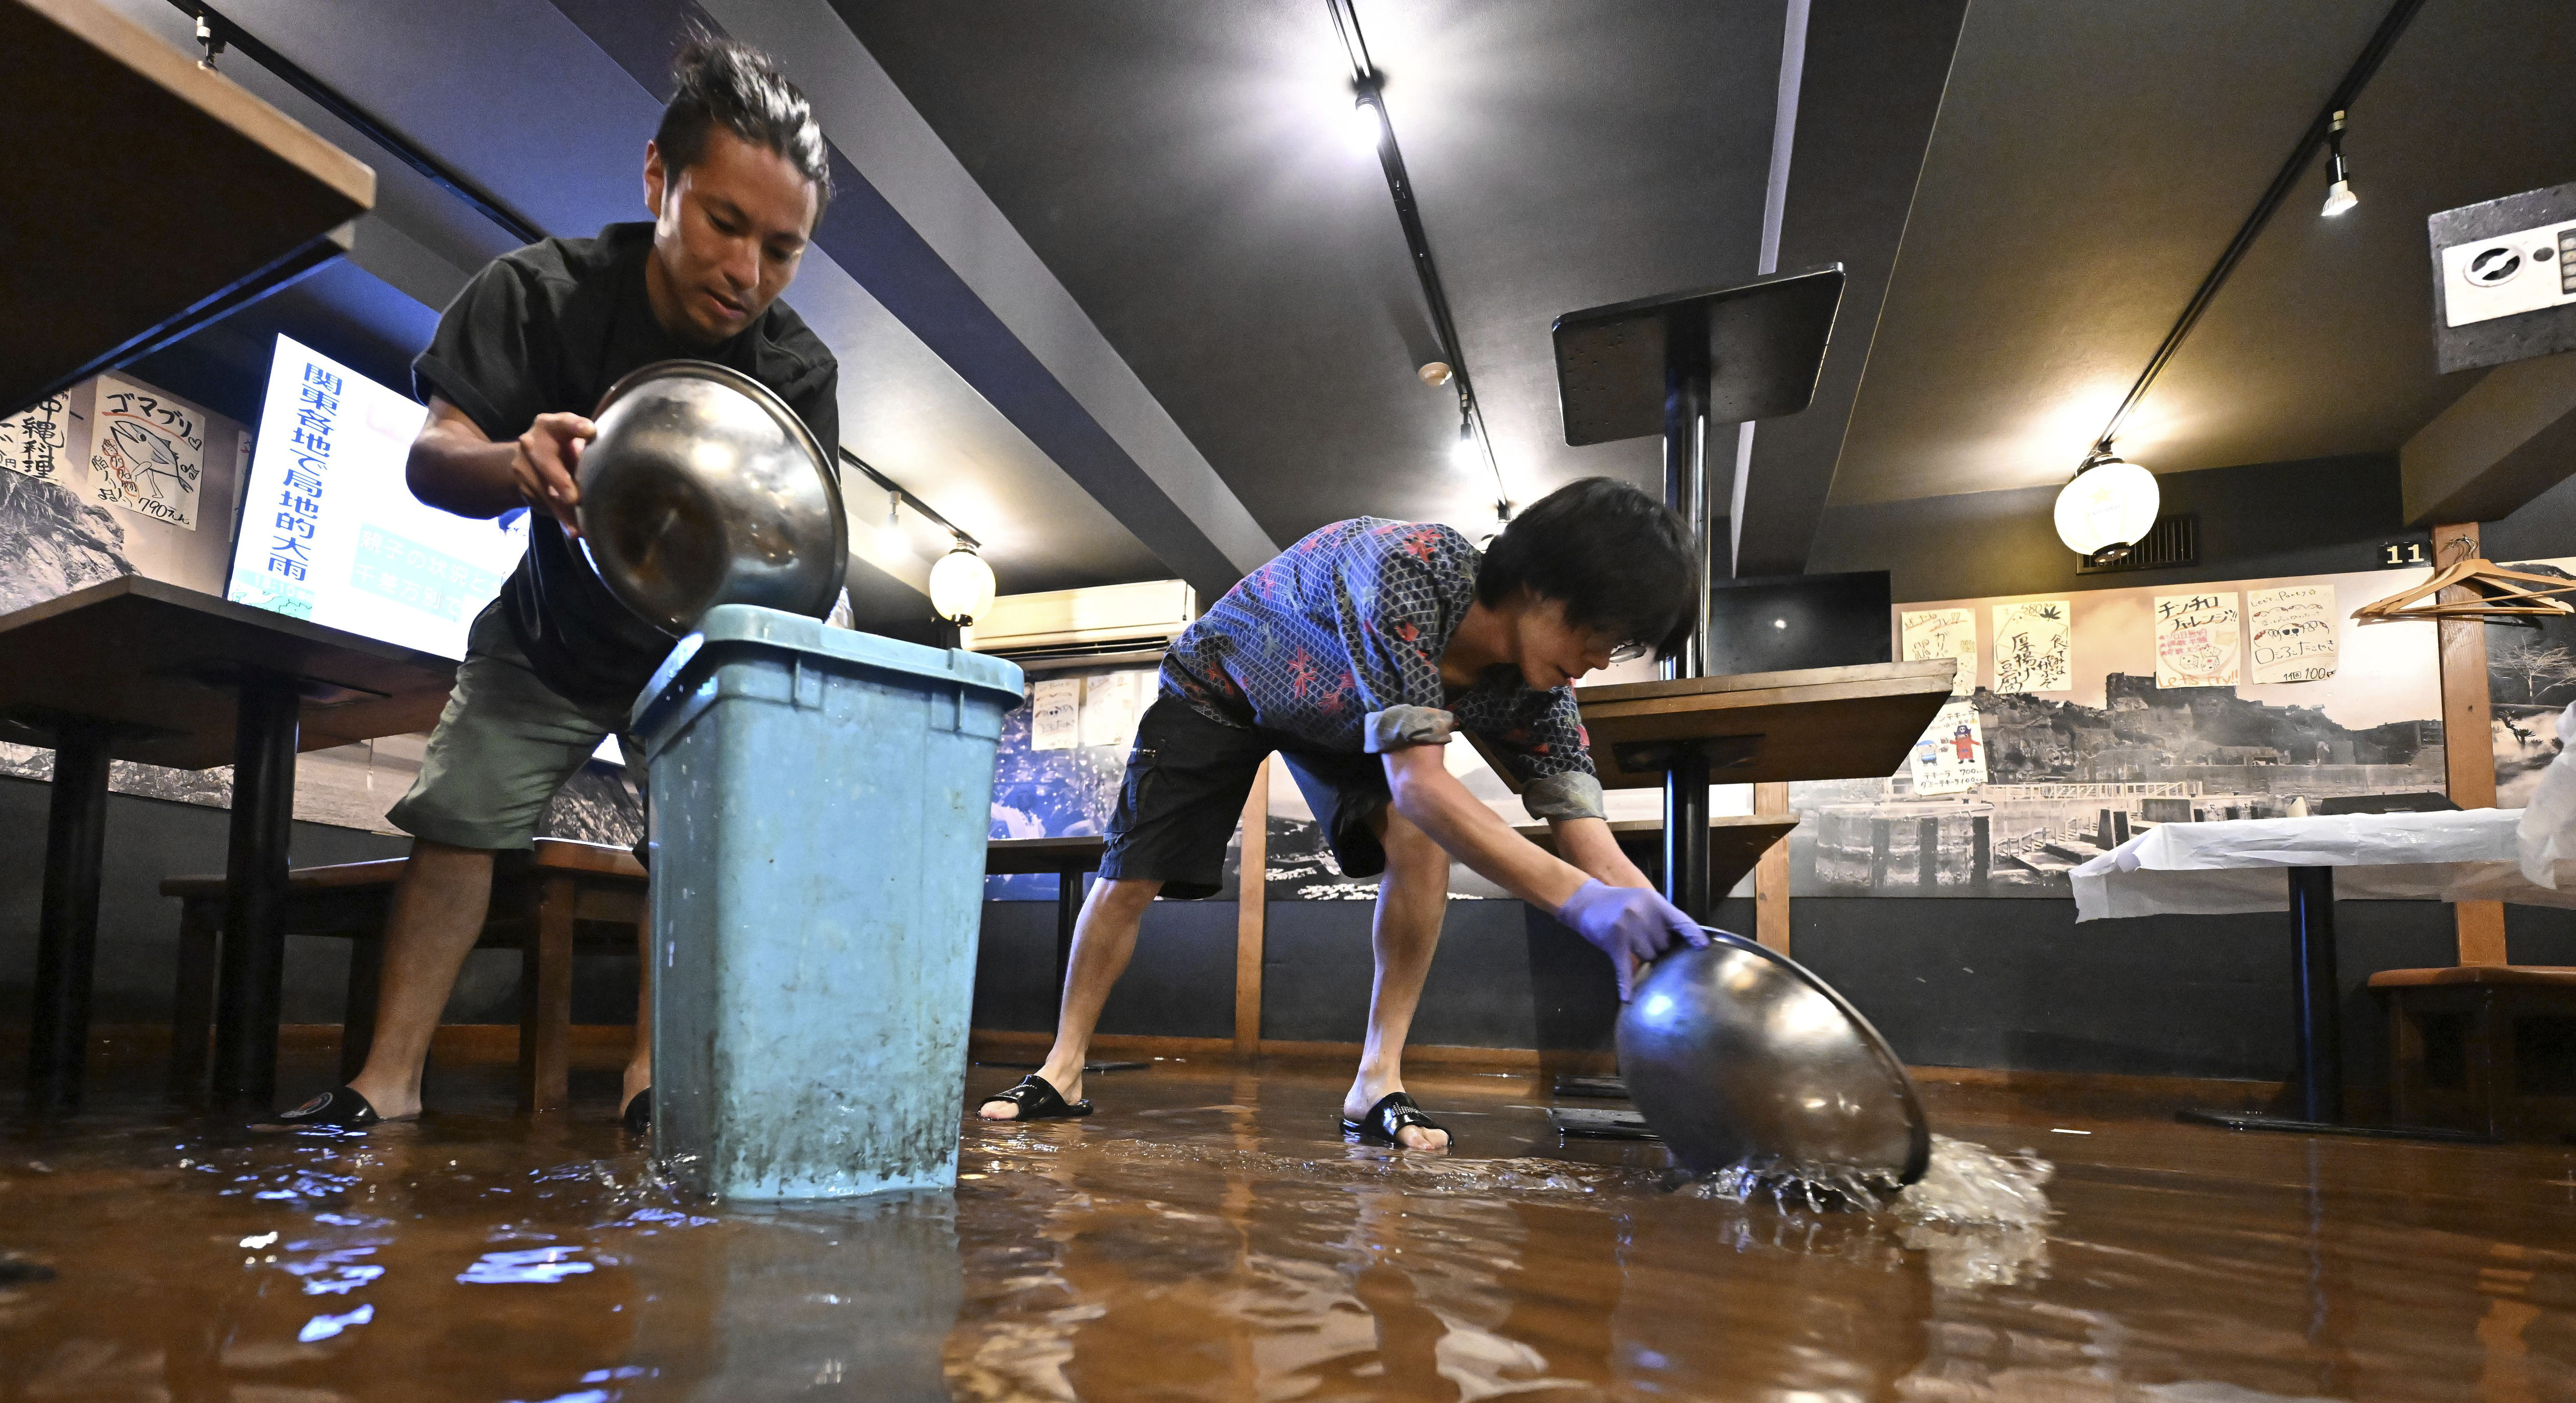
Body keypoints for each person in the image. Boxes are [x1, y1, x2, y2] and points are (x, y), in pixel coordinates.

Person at [260, 35, 840, 1134]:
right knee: (457, 817)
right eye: (724, 223)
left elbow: (799, 567)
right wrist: (512, 461)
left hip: (696, 665)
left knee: (697, 853)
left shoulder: (798, 374)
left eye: (782, 249)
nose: (746, 273)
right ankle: (386, 1082)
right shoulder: (538, 293)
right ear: (659, 180)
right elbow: (432, 460)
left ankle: (653, 1085)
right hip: (549, 637)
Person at [979, 477, 1709, 1150]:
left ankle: (1375, 1083)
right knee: (1132, 872)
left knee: (1420, 840)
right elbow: (1421, 784)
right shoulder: (1409, 568)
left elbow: (1588, 839)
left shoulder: (1540, 692)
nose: (1602, 659)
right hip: (1223, 684)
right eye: (1602, 631)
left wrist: (1673, 942)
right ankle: (1061, 1069)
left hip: (1347, 723)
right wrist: (1582, 905)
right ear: (1542, 584)